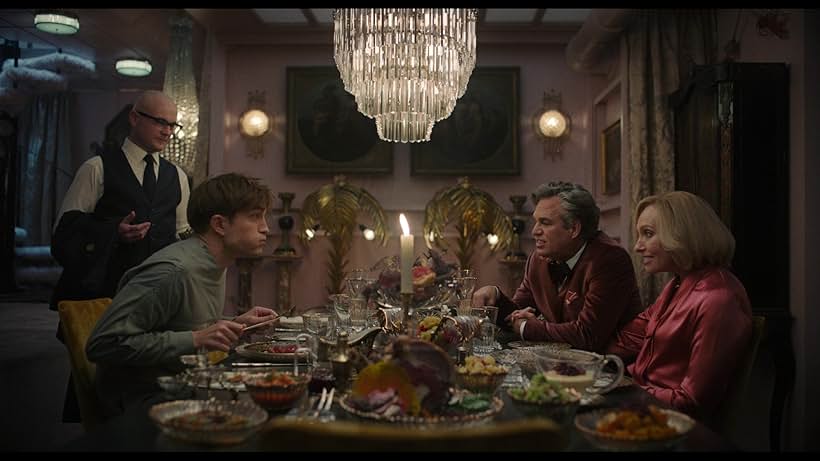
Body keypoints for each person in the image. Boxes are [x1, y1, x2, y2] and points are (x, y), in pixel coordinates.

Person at [85, 172, 278, 418]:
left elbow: (180, 324)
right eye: (255, 217)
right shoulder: (173, 271)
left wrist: (235, 324)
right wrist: (196, 339)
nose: (266, 228)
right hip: (143, 402)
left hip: (184, 386)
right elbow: (103, 344)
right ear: (219, 225)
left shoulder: (214, 262)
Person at [50, 90, 191, 422]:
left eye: (173, 125)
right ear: (134, 118)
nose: (167, 131)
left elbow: (182, 235)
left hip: (157, 300)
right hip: (106, 297)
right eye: (160, 122)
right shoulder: (96, 168)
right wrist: (113, 232)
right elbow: (64, 235)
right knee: (104, 393)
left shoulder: (177, 176)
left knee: (153, 388)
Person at [608, 191, 752, 421]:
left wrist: (619, 389)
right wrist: (577, 360)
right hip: (640, 408)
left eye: (648, 234)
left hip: (670, 425)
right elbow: (625, 341)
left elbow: (691, 402)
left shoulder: (718, 299)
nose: (637, 246)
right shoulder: (676, 285)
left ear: (683, 235)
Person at [471, 181, 643, 353]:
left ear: (574, 229)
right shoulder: (538, 260)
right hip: (562, 362)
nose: (535, 231)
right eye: (536, 222)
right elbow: (519, 313)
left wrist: (526, 327)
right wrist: (496, 298)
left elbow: (588, 336)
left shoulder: (609, 259)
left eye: (545, 223)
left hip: (611, 364)